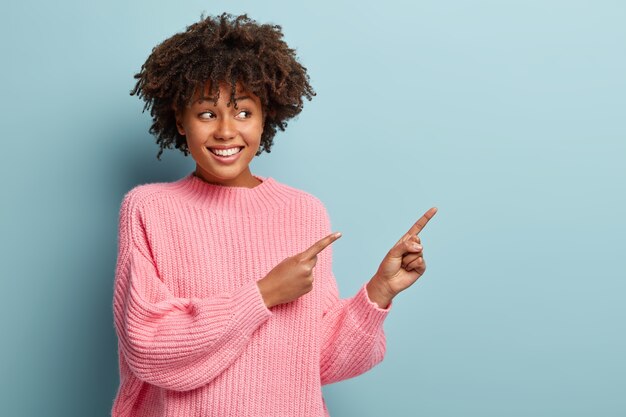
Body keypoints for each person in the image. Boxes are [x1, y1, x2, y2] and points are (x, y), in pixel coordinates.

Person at [111, 12, 437, 417]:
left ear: (267, 118)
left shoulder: (303, 212)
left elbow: (316, 361)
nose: (227, 131)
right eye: (208, 113)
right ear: (180, 120)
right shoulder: (150, 209)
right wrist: (263, 294)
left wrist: (379, 291)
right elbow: (149, 345)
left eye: (244, 112)